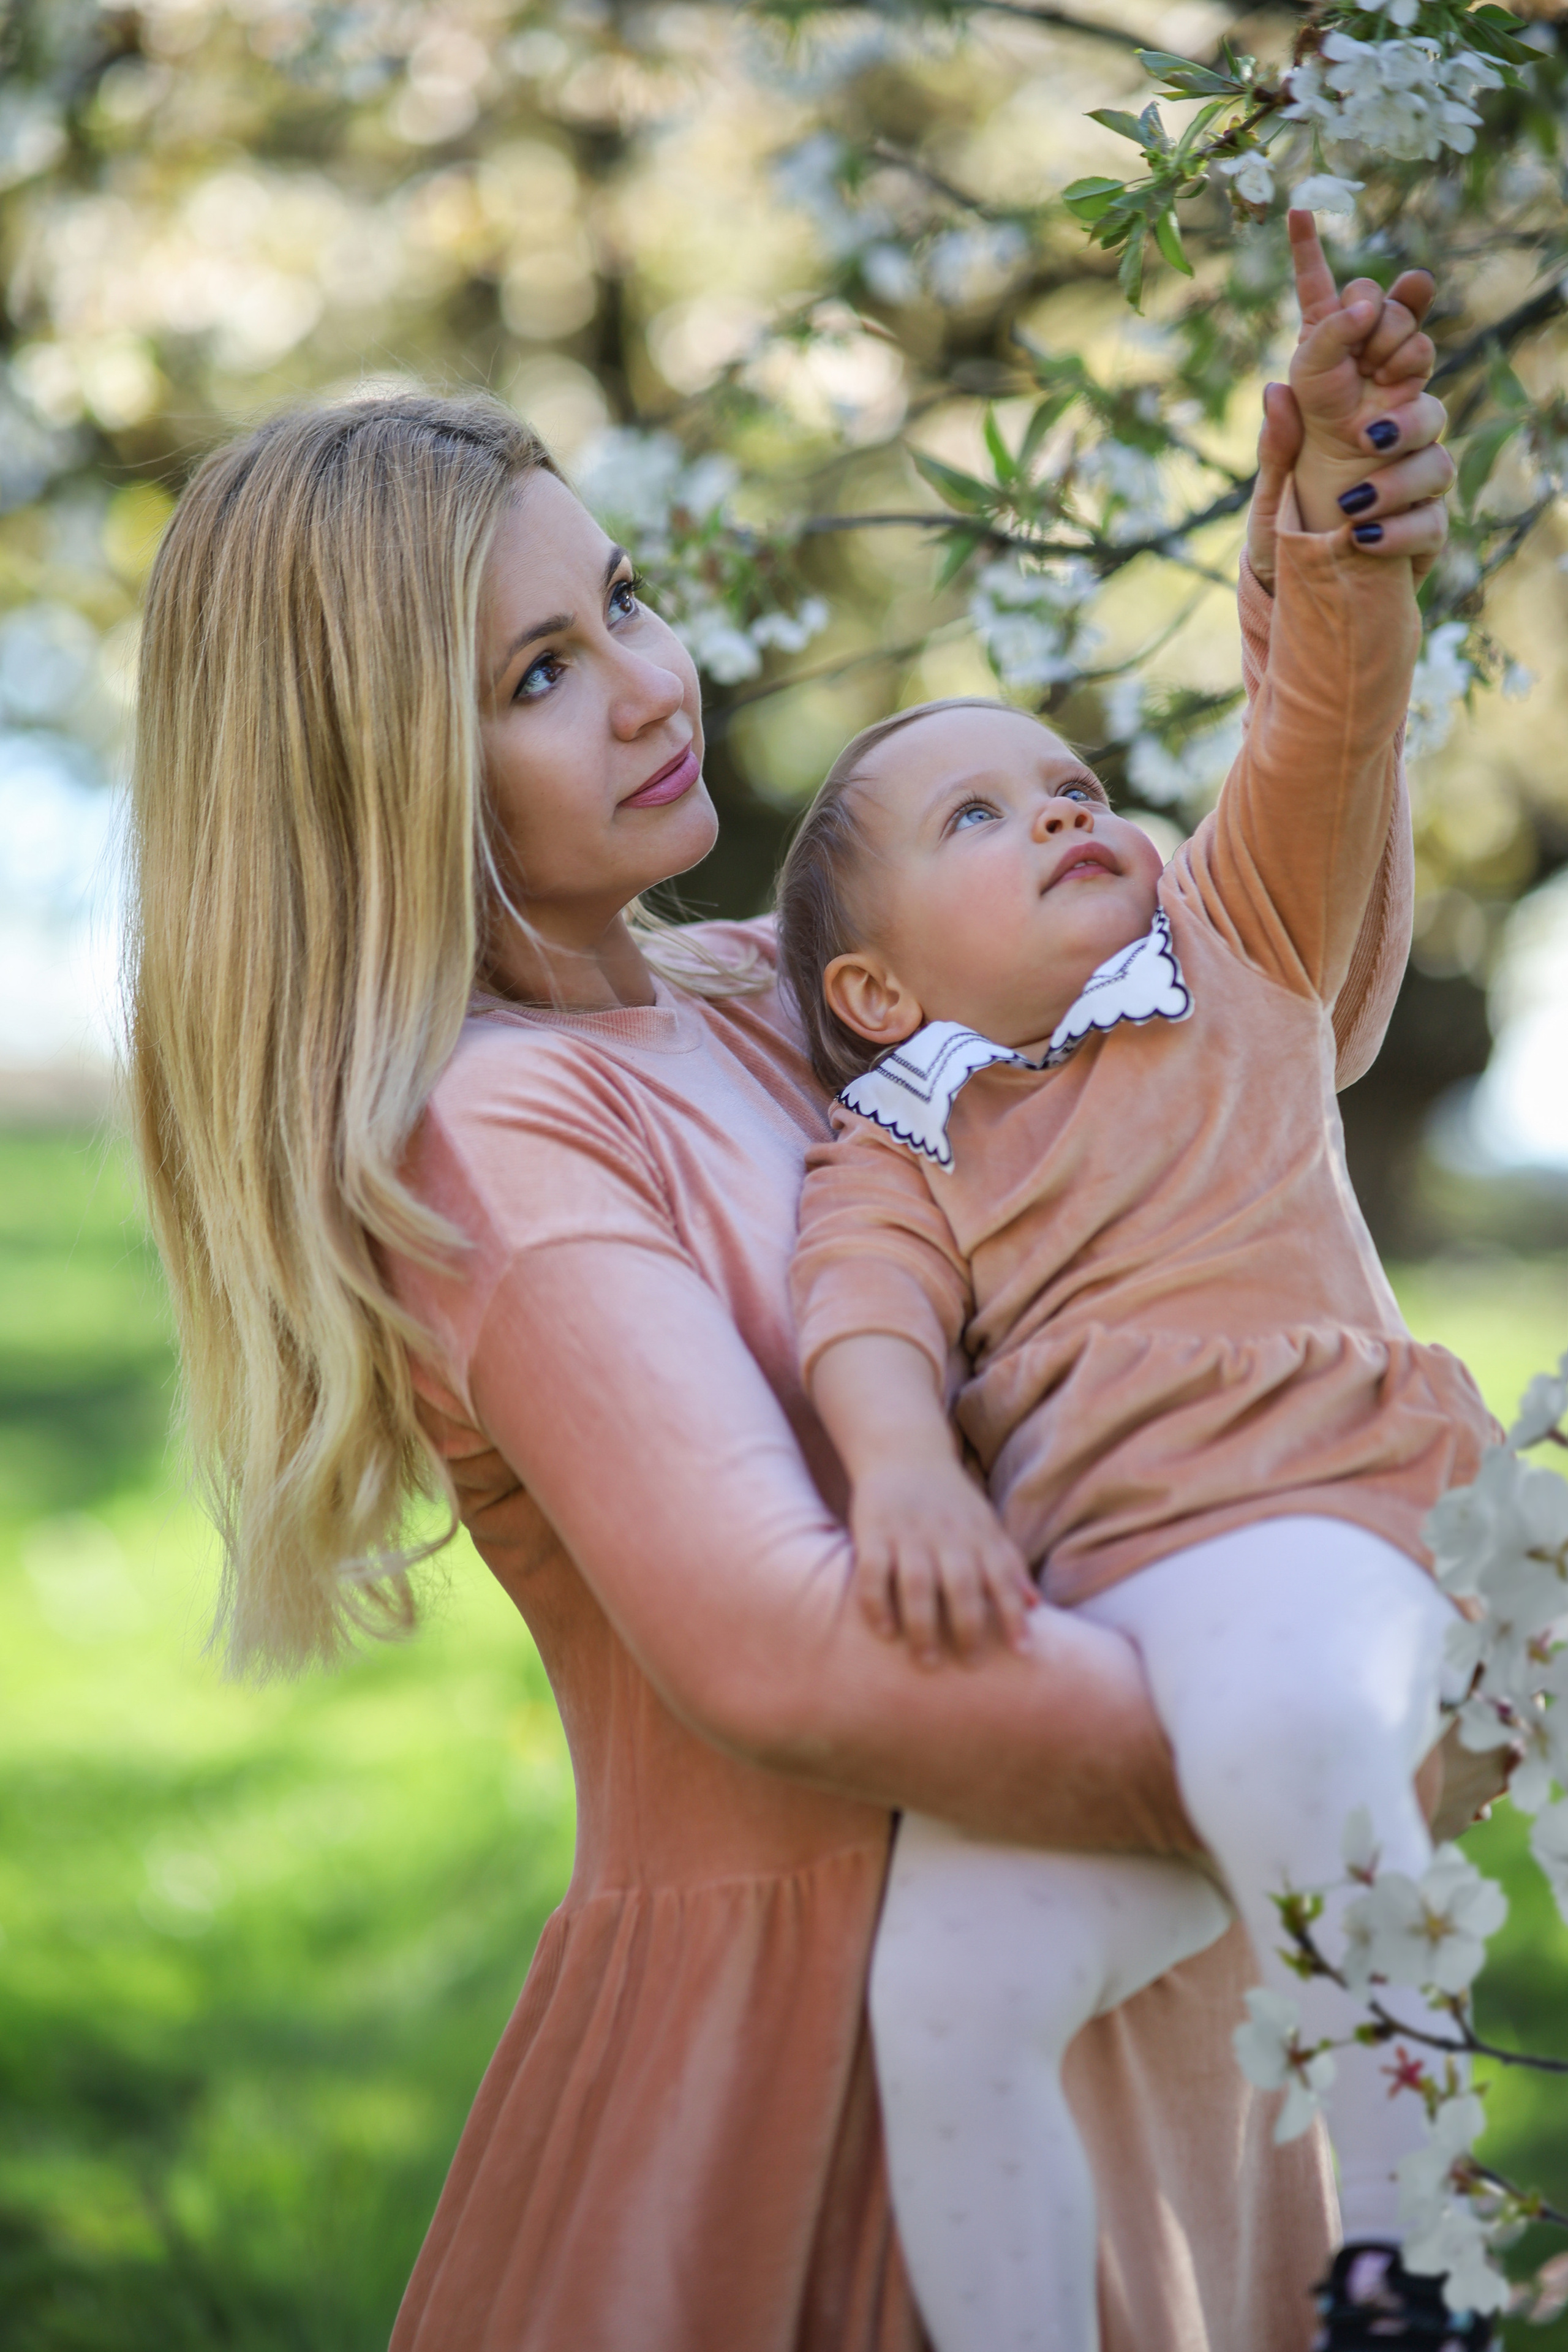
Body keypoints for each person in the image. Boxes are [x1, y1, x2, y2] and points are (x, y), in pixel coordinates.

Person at [123, 232, 1461, 2350]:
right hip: (847, 2030)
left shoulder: (767, 992)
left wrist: (1331, 576)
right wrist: (1340, 1748)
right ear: (377, 786)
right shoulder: (498, 1135)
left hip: (1140, 1921)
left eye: (623, 601)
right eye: (537, 677)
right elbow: (784, 1648)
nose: (652, 684)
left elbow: (1282, 1013)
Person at [777, 221, 1487, 2352]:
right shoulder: (901, 1131)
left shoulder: (1239, 949)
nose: (1068, 809)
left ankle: (1409, 2256)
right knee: (951, 1988)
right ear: (883, 983)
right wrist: (901, 1475)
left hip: (1320, 1528)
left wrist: (1341, 503)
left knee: (1288, 1717)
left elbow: (1324, 721)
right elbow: (863, 1322)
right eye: (984, 814)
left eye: (1072, 780)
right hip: (1104, 1623)